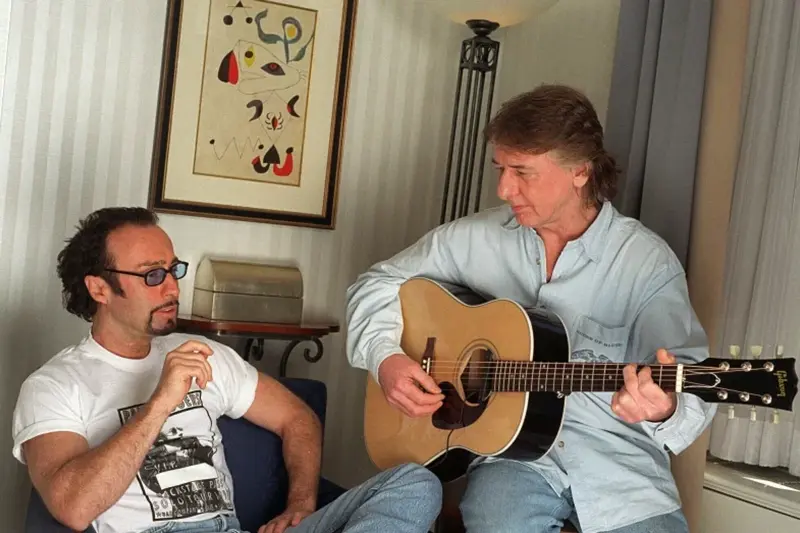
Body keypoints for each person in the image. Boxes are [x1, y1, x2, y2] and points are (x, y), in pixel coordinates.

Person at [345, 84, 717, 533]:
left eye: (523, 172)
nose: (504, 188)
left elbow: (690, 377)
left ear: (580, 171)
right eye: (500, 168)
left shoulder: (646, 263)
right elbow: (378, 281)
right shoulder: (476, 237)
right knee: (496, 518)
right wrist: (386, 358)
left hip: (619, 463)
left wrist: (663, 408)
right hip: (513, 460)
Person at [12, 207, 442, 533]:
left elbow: (298, 419)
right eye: (152, 275)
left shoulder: (201, 352)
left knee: (416, 484)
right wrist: (161, 401)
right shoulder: (54, 384)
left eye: (174, 269)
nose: (173, 287)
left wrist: (300, 505)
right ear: (99, 287)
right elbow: (72, 507)